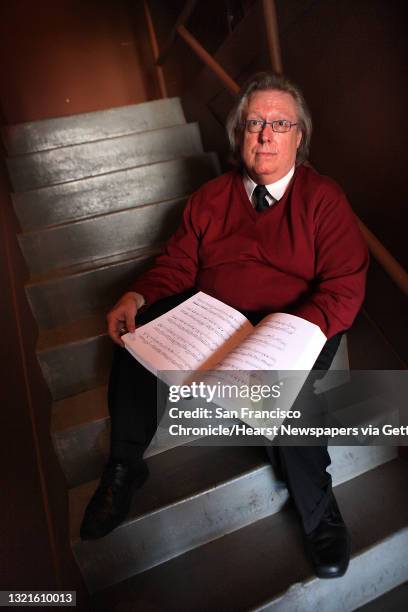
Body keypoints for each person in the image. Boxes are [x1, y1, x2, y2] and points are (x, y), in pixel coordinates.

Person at [80, 72, 369, 578]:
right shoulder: (210, 198)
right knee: (137, 336)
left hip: (297, 321)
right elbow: (177, 265)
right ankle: (125, 466)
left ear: (299, 136)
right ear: (239, 135)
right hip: (217, 318)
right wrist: (137, 293)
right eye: (255, 123)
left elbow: (344, 287)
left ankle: (319, 511)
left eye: (280, 123)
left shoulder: (324, 199)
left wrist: (289, 339)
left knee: (291, 394)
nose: (266, 135)